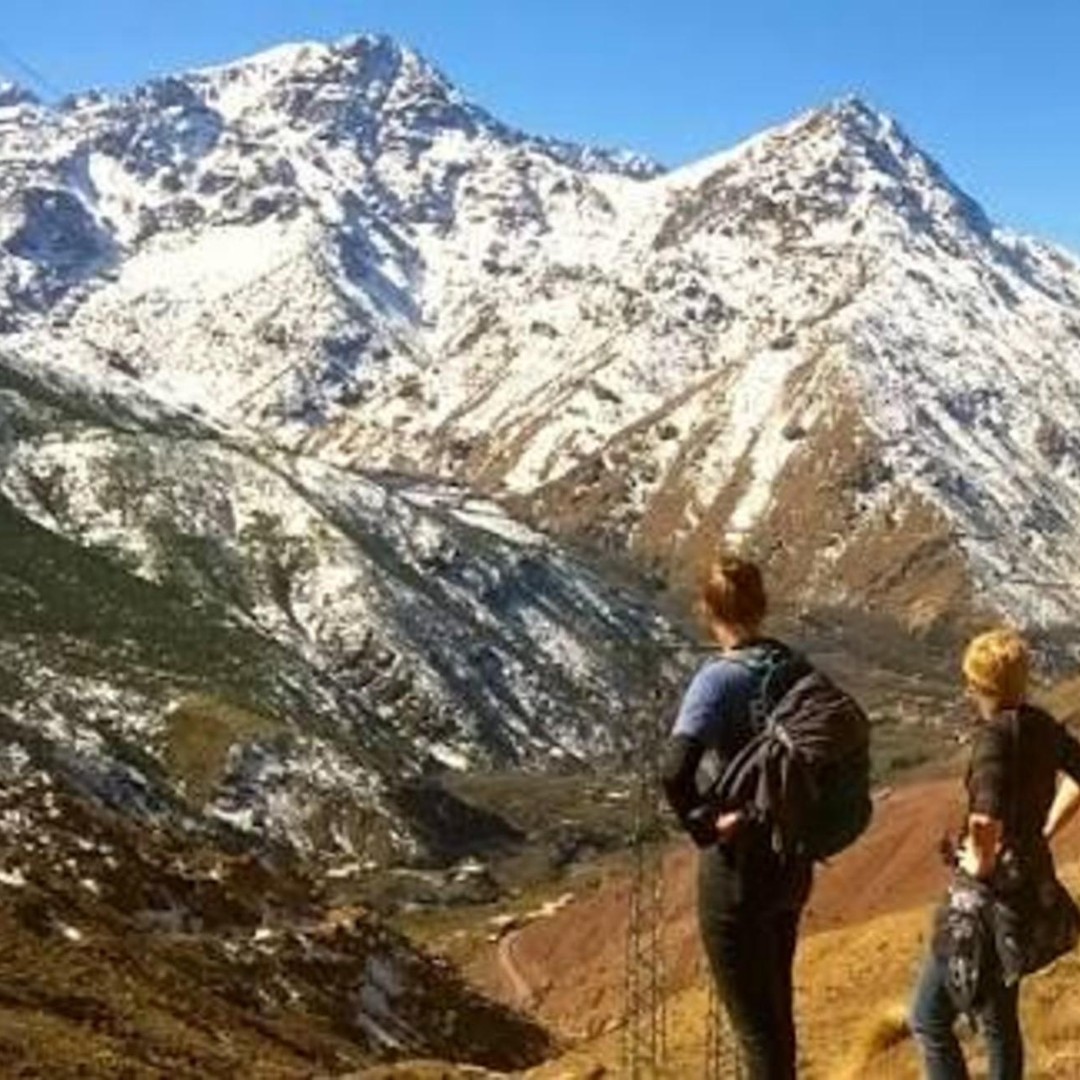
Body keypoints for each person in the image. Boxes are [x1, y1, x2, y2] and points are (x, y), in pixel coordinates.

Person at [660, 554, 811, 1080]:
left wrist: (704, 826)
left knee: (755, 1033)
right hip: (791, 861)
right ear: (763, 604)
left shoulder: (717, 680)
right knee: (777, 1018)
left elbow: (675, 771)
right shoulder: (796, 668)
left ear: (707, 610)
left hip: (739, 867)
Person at [910, 628, 1080, 1080]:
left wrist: (979, 864)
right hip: (1027, 889)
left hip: (983, 901)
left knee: (928, 1019)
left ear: (979, 686)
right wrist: (1044, 829)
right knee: (998, 1017)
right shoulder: (1042, 725)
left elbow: (985, 818)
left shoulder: (993, 739)